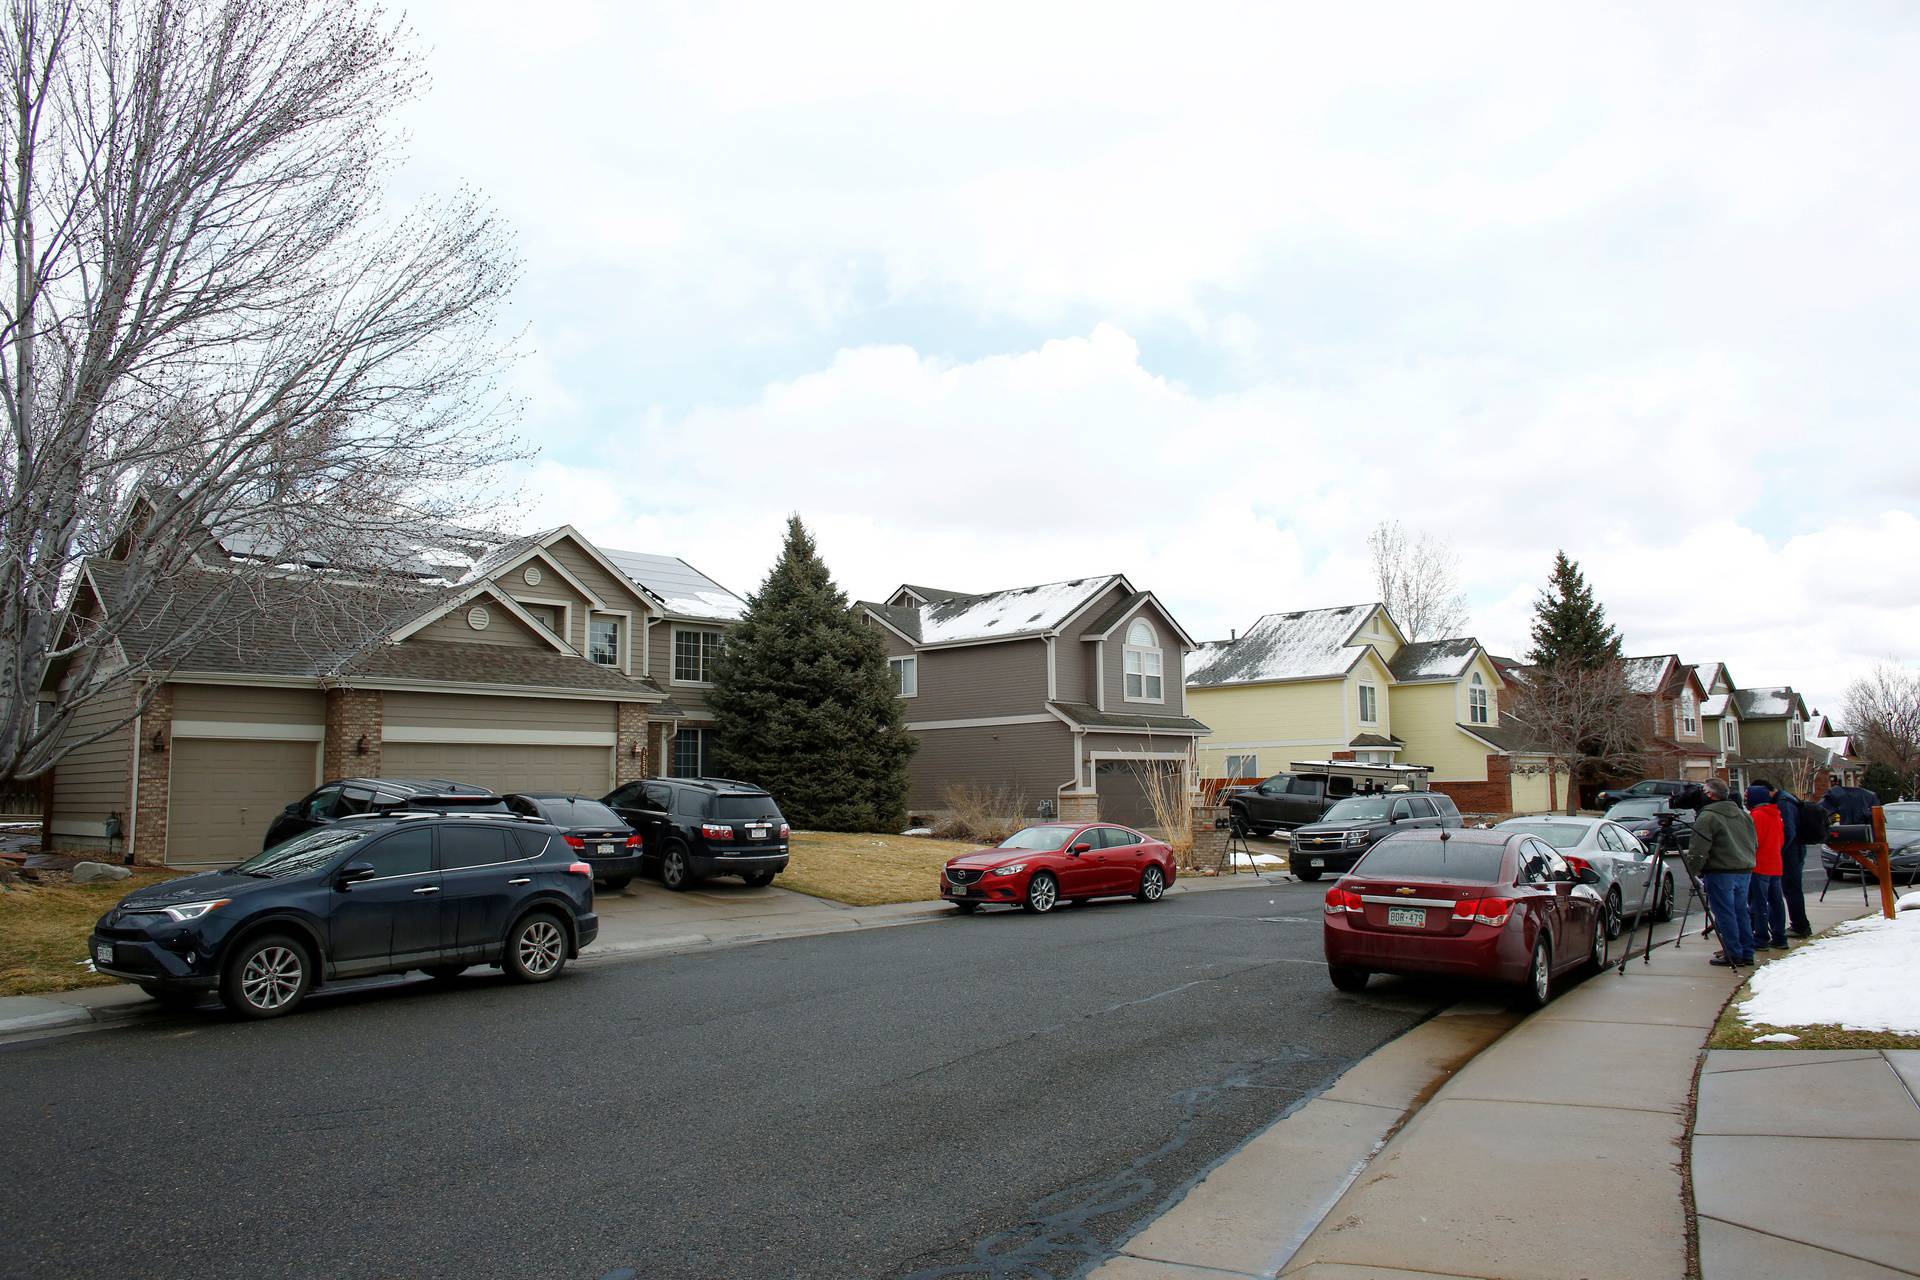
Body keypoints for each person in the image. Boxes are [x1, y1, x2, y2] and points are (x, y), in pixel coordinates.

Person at [1685, 777, 1757, 967]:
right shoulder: (1743, 815)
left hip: (1720, 871)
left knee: (1725, 914)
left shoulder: (1707, 816)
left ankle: (1734, 953)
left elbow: (1699, 849)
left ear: (1710, 795)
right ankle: (1746, 952)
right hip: (1744, 869)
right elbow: (1754, 842)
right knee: (1740, 911)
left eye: (1703, 791)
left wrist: (1693, 870)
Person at [1746, 783, 1788, 951]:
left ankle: (1761, 937)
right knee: (1776, 902)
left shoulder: (1755, 816)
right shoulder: (1776, 814)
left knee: (1758, 903)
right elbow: (1782, 839)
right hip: (1775, 863)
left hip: (1759, 865)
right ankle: (1779, 936)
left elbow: (1752, 842)